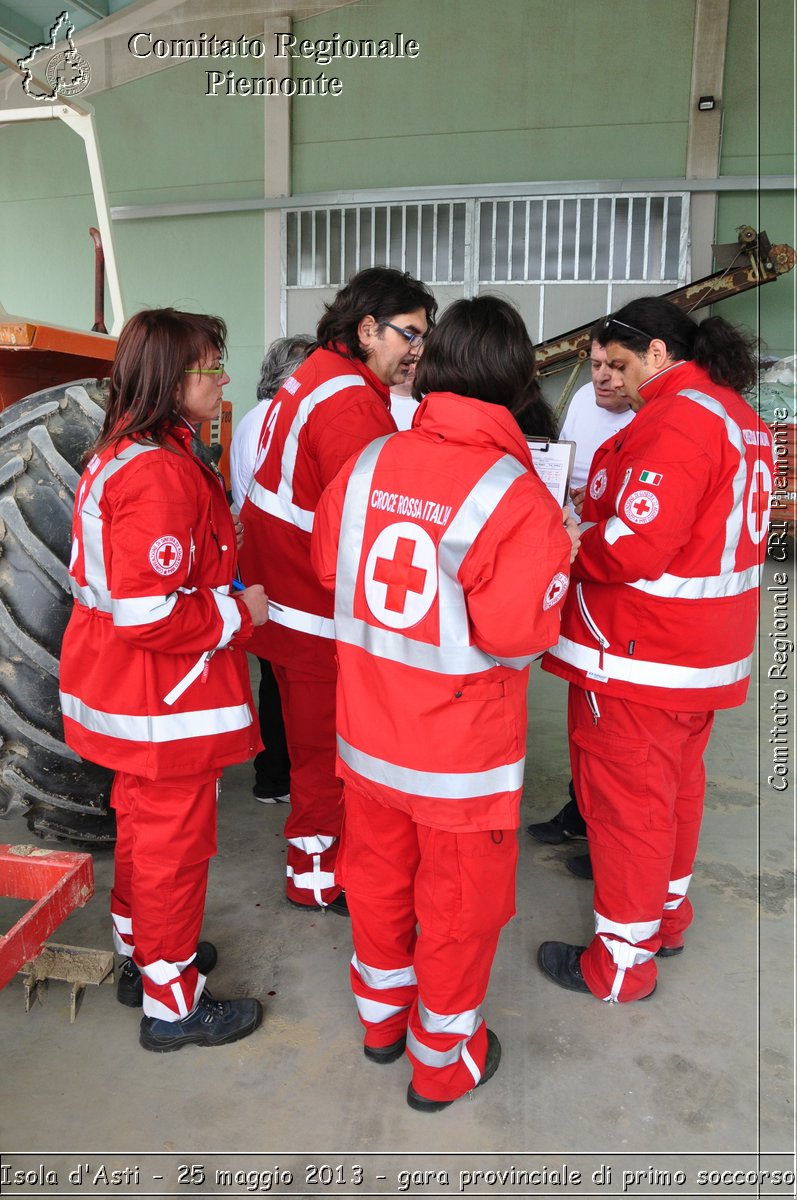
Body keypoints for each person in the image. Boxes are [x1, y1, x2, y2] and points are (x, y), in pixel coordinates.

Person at [311, 295, 576, 1111]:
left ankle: (382, 1023)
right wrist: (555, 556)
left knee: (379, 882)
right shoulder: (515, 495)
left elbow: (329, 572)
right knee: (459, 909)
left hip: (367, 739)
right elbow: (515, 638)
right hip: (457, 762)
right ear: (518, 381)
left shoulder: (365, 466)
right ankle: (443, 1061)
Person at [539, 296, 773, 1002]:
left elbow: (634, 546)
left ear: (659, 355)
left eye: (618, 364)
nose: (609, 379)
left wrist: (565, 542)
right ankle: (664, 918)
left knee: (626, 809)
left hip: (640, 654)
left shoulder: (678, 424)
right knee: (673, 793)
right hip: (701, 653)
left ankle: (617, 967)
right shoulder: (738, 416)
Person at [59, 308, 268, 1051]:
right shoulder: (158, 474)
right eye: (211, 366)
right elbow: (149, 615)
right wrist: (238, 611)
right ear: (172, 379)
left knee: (145, 837)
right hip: (162, 700)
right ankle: (173, 1004)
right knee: (171, 853)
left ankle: (143, 960)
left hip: (130, 694)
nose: (223, 378)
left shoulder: (132, 452)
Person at [239, 267, 437, 915]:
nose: (416, 350)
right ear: (367, 329)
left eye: (423, 338)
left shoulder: (318, 374)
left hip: (288, 601)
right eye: (408, 334)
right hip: (315, 615)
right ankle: (317, 875)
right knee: (325, 754)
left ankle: (319, 860)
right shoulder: (350, 404)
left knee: (309, 746)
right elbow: (368, 527)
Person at [527, 324, 635, 874]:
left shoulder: (647, 419)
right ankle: (580, 809)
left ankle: (605, 834)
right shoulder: (582, 410)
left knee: (614, 726)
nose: (603, 377)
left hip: (616, 582)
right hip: (578, 567)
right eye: (595, 366)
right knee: (584, 709)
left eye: (615, 367)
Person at [230, 334, 315, 805]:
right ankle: (278, 776)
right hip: (278, 564)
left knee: (274, 672)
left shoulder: (252, 419)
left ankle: (273, 774)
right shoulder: (279, 421)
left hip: (259, 559)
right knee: (287, 675)